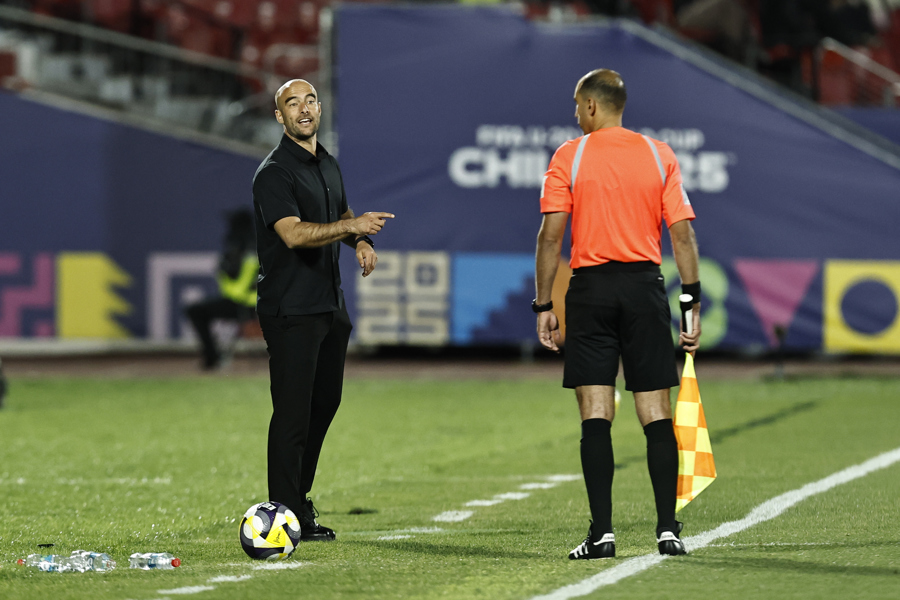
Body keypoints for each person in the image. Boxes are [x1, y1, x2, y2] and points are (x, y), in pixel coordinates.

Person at [534, 69, 701, 559]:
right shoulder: (659, 154)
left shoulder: (570, 154)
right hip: (645, 288)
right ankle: (668, 529)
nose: (574, 113)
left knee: (596, 412)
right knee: (656, 412)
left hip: (591, 291)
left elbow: (550, 236)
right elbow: (683, 236)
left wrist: (545, 304)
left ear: (589, 107)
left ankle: (602, 533)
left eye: (575, 104)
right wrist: (689, 306)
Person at [252, 78, 394, 541]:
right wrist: (349, 225)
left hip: (329, 305)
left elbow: (340, 212)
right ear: (280, 117)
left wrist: (360, 240)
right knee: (293, 413)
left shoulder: (326, 162)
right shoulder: (273, 173)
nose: (304, 108)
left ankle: (297, 502)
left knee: (324, 405)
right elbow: (293, 234)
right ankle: (281, 514)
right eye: (292, 103)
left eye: (310, 99)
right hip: (291, 309)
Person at [185, 209, 258, 370]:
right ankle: (213, 357)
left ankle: (211, 358)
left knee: (194, 311)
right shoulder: (263, 243)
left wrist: (223, 268)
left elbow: (236, 286)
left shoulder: (239, 248)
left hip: (243, 304)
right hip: (265, 305)